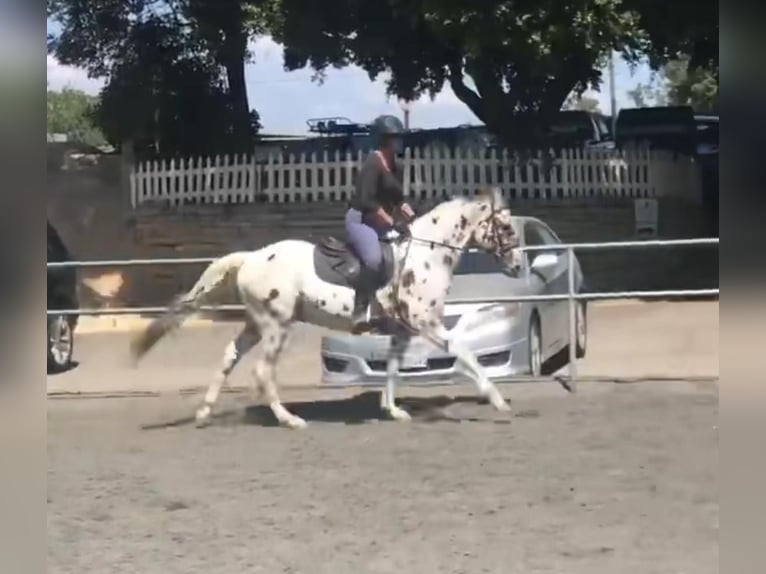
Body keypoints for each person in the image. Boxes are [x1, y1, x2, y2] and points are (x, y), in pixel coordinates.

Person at [345, 114, 415, 331]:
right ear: (384, 140)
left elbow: (396, 197)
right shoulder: (372, 163)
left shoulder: (397, 166)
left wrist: (406, 208)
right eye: (395, 138)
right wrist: (391, 221)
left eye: (399, 137)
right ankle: (360, 309)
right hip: (361, 221)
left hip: (383, 222)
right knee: (374, 259)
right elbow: (366, 200)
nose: (399, 141)